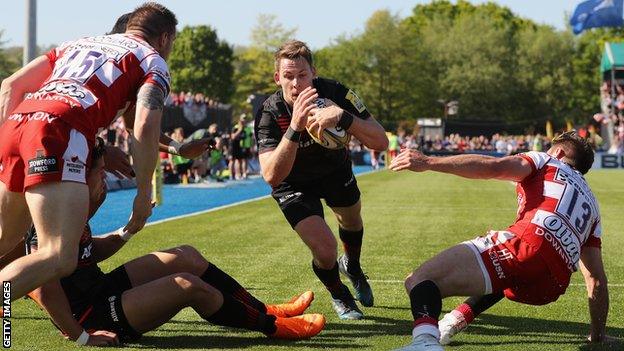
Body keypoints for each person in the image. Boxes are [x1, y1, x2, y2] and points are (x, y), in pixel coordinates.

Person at [19, 137, 325, 346]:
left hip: (100, 291)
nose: (105, 180)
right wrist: (81, 336)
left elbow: (88, 252)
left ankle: (265, 309)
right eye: (100, 173)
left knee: (186, 256)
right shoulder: (50, 217)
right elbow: (42, 288)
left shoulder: (75, 201)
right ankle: (272, 327)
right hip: (90, 316)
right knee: (187, 285)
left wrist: (129, 229)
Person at [0, 2, 178, 302]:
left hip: (18, 124)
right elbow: (145, 126)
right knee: (58, 256)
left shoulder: (76, 43)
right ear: (164, 38)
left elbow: (10, 86)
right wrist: (143, 192)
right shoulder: (153, 59)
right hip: (59, 132)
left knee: (5, 240)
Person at [389, 131, 611, 350]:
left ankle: (425, 342)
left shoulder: (546, 161)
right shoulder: (593, 206)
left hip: (527, 246)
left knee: (419, 280)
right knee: (508, 270)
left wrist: (428, 161)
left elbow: (494, 167)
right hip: (553, 283)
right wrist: (598, 335)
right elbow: (596, 279)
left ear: (559, 152)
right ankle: (453, 321)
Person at [255, 40, 388, 320]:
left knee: (352, 222)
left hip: (334, 170)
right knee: (325, 249)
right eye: (288, 76)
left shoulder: (336, 92)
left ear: (313, 73)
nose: (296, 83)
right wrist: (295, 127)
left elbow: (381, 141)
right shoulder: (269, 112)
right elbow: (271, 175)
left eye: (302, 75)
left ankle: (351, 265)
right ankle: (341, 295)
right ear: (277, 78)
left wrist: (344, 117)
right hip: (292, 183)